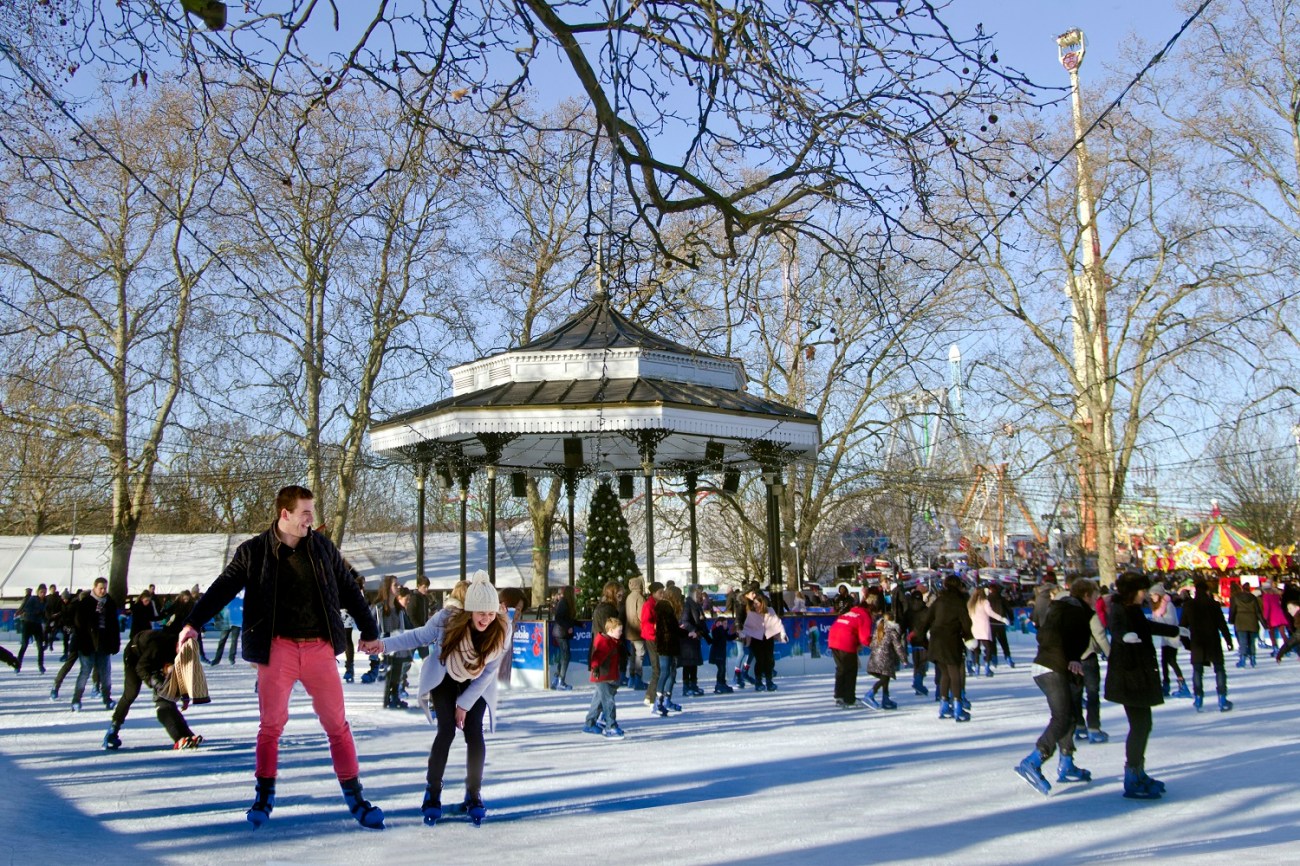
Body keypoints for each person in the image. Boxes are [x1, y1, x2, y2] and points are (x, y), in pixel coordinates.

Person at [177, 485, 385, 830]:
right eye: (305, 513)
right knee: (271, 725)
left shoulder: (321, 548)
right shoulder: (254, 551)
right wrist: (193, 623)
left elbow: (349, 588)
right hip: (276, 649)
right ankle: (263, 795)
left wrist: (369, 631)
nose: (311, 520)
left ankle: (355, 797)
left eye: (312, 512)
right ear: (285, 514)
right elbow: (223, 586)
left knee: (337, 725)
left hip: (319, 647)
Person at [366, 571, 509, 827]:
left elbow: (487, 674)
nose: (486, 618)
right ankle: (432, 792)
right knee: (446, 731)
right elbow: (418, 636)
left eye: (490, 613)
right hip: (444, 676)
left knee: (474, 732)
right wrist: (383, 645)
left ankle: (474, 793)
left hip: (476, 684)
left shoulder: (499, 632)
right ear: (470, 610)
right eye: (481, 613)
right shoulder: (447, 620)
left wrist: (464, 705)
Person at [1104, 571, 1185, 800]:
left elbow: (1148, 626)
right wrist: (1124, 637)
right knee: (1139, 726)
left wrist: (1175, 631)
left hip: (1138, 675)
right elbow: (1117, 627)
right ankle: (1132, 777)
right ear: (1132, 591)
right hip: (1129, 677)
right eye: (1142, 591)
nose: (1145, 595)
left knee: (1144, 725)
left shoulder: (1134, 609)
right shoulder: (1119, 608)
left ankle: (1138, 772)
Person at [1015, 578, 1100, 795]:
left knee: (1070, 715)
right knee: (1062, 717)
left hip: (1047, 666)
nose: (1097, 599)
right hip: (1051, 668)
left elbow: (1044, 633)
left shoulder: (1062, 609)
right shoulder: (1075, 612)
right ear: (1087, 595)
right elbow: (1065, 636)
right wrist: (1071, 657)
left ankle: (1067, 762)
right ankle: (1033, 761)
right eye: (1095, 595)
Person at [103, 624, 204, 751]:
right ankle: (113, 728)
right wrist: (156, 683)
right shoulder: (158, 646)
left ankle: (185, 735)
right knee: (131, 693)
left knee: (166, 700)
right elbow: (141, 668)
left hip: (157, 659)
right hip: (135, 654)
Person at [917, 575, 974, 722]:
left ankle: (944, 706)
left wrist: (922, 637)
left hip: (936, 641)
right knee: (954, 672)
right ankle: (958, 707)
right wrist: (969, 637)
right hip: (951, 640)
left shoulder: (939, 600)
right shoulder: (959, 602)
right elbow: (966, 623)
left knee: (944, 673)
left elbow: (926, 619)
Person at [1184, 576, 1233, 712]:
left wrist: (1187, 643)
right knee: (1219, 669)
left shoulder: (1188, 605)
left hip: (1197, 643)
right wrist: (1228, 640)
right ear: (1206, 591)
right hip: (1213, 642)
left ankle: (1198, 698)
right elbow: (1222, 625)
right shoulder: (1213, 605)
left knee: (1197, 671)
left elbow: (1182, 626)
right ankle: (1222, 698)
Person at [71, 577, 120, 711]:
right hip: (88, 643)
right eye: (100, 588)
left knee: (105, 673)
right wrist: (81, 644)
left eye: (105, 588)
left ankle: (107, 698)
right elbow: (79, 625)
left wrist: (115, 643)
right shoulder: (86, 602)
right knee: (85, 672)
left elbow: (114, 625)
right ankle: (76, 699)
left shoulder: (110, 603)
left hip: (104, 644)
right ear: (94, 587)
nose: (103, 591)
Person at [373, 576, 412, 709]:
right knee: (387, 676)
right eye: (396, 585)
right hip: (384, 648)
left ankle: (395, 697)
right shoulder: (378, 608)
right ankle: (385, 700)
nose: (399, 587)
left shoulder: (399, 609)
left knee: (396, 675)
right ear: (388, 588)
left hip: (398, 647)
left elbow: (408, 626)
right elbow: (371, 627)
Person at [584, 616, 626, 738]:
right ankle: (610, 726)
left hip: (608, 675)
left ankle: (590, 723)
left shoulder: (613, 641)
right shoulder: (604, 641)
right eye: (619, 631)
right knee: (608, 701)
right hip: (602, 676)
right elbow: (596, 656)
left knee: (598, 702)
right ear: (611, 630)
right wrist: (595, 667)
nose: (621, 633)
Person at [828, 597, 873, 708]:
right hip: (845, 641)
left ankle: (839, 695)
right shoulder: (865, 616)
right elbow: (865, 638)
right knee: (850, 670)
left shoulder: (851, 612)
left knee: (841, 669)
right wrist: (873, 644)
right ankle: (849, 698)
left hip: (833, 639)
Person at [1148, 584, 1191, 698]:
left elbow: (1171, 621)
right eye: (1151, 595)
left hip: (1172, 637)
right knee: (1163, 662)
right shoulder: (1157, 607)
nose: (1152, 597)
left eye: (1154, 594)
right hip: (1165, 638)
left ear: (1159, 594)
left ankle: (1183, 685)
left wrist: (1157, 620)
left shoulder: (1169, 605)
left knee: (1171, 661)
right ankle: (1165, 685)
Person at [742, 592, 787, 692]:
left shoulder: (770, 611)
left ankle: (769, 681)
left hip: (768, 638)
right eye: (754, 603)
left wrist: (782, 633)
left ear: (762, 603)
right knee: (760, 660)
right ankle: (758, 682)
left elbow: (777, 622)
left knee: (769, 660)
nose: (755, 605)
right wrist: (744, 636)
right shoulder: (752, 613)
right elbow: (747, 627)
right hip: (756, 639)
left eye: (757, 603)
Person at [651, 585, 683, 716]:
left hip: (670, 645)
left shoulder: (668, 608)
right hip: (666, 646)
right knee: (665, 672)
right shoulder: (665, 608)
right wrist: (685, 632)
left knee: (671, 673)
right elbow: (668, 629)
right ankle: (658, 702)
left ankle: (666, 700)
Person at [865, 607, 906, 709]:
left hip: (874, 659)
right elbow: (898, 646)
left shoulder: (878, 629)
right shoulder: (892, 631)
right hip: (885, 659)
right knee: (884, 679)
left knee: (885, 678)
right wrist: (904, 660)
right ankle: (870, 694)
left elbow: (872, 644)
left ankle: (885, 699)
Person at [967, 584, 1008, 678]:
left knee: (976, 650)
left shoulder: (971, 603)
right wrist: (1002, 618)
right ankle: (986, 666)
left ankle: (976, 667)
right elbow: (991, 613)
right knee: (988, 648)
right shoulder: (984, 602)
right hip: (984, 628)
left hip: (974, 629)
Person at [678, 586, 708, 697]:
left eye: (701, 593)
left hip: (695, 639)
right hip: (688, 639)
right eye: (698, 593)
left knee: (693, 663)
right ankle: (686, 686)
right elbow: (684, 621)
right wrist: (694, 630)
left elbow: (700, 620)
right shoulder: (688, 605)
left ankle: (694, 684)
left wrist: (703, 631)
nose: (700, 595)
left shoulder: (697, 605)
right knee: (688, 663)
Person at [639, 581, 665, 706]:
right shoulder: (649, 605)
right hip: (652, 639)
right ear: (653, 593)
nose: (662, 594)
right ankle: (652, 696)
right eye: (660, 592)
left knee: (658, 668)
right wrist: (656, 628)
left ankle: (650, 695)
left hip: (656, 638)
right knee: (657, 668)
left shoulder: (656, 604)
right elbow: (646, 623)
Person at [623, 577, 648, 691]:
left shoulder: (629, 597)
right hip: (638, 630)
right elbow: (642, 615)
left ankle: (631, 678)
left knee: (633, 656)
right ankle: (638, 679)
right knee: (640, 655)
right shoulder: (639, 597)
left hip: (630, 630)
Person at [1228, 583, 1261, 668]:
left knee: (1243, 641)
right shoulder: (1253, 598)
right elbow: (1258, 611)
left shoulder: (1236, 598)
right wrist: (1264, 623)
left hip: (1240, 621)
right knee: (1252, 641)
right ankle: (1253, 659)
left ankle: (1242, 659)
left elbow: (1233, 610)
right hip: (1252, 621)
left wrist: (1231, 620)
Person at [16, 585, 47, 673]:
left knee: (40, 646)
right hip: (28, 623)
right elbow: (27, 608)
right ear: (38, 592)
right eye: (41, 592)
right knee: (24, 645)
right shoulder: (33, 599)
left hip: (37, 624)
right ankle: (17, 665)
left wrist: (45, 619)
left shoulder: (45, 601)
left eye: (44, 592)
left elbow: (44, 613)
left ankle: (41, 665)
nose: (43, 594)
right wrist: (36, 612)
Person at [550, 586, 576, 690]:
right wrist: (568, 627)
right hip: (561, 633)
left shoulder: (565, 603)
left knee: (564, 656)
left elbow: (567, 618)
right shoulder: (564, 603)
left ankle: (556, 679)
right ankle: (560, 680)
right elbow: (559, 618)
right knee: (566, 656)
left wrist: (578, 624)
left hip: (561, 633)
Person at [986, 583, 1016, 667]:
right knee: (1004, 642)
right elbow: (1009, 610)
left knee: (992, 642)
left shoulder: (987, 600)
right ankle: (1008, 658)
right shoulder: (1002, 599)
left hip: (991, 623)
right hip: (1001, 624)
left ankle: (994, 659)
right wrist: (1011, 619)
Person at [210, 594, 244, 665]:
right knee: (222, 640)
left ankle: (231, 658)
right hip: (227, 622)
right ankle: (217, 659)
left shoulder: (238, 600)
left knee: (234, 641)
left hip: (236, 622)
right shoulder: (226, 598)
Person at [708, 614, 735, 694]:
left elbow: (728, 637)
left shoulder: (723, 632)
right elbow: (716, 638)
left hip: (721, 654)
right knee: (721, 669)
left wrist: (736, 634)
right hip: (717, 654)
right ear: (719, 623)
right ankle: (719, 684)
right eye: (725, 623)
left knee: (723, 669)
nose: (727, 625)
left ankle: (722, 683)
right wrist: (719, 627)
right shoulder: (716, 631)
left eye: (727, 623)